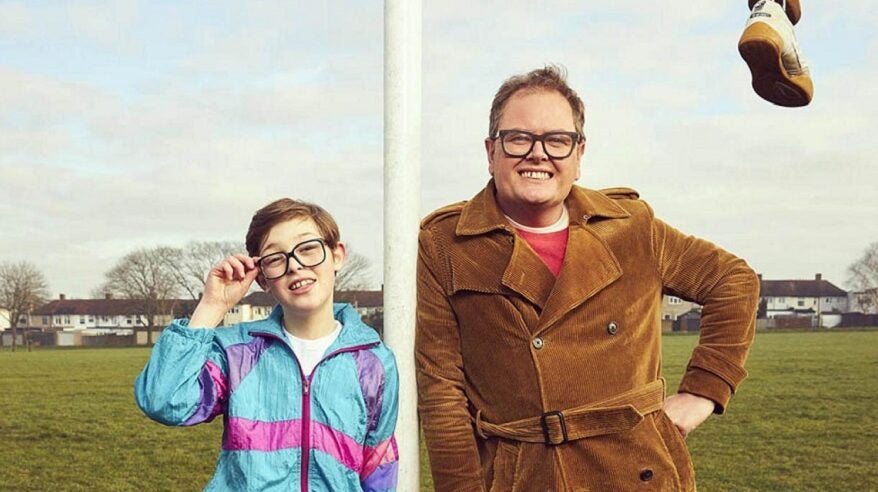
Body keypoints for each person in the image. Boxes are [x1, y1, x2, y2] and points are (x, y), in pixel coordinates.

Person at [416, 66, 759, 491]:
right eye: (518, 138)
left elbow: (734, 280)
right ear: (491, 151)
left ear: (579, 156)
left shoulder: (631, 227)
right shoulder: (446, 243)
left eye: (557, 140)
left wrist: (703, 392)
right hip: (524, 477)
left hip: (636, 470)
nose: (538, 154)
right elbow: (441, 392)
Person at [135, 198, 399, 491]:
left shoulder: (375, 361)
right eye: (275, 258)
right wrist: (212, 306)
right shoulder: (235, 351)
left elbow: (377, 464)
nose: (295, 266)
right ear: (262, 279)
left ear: (337, 255)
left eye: (308, 248)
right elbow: (163, 401)